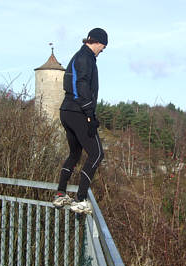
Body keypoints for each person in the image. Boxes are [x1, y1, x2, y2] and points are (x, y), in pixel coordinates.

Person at [53, 28, 108, 214]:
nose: (102, 51)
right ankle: (80, 198)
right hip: (77, 111)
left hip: (67, 111)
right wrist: (90, 114)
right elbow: (80, 86)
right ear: (98, 42)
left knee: (75, 154)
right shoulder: (85, 57)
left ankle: (61, 194)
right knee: (97, 153)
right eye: (103, 47)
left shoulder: (80, 56)